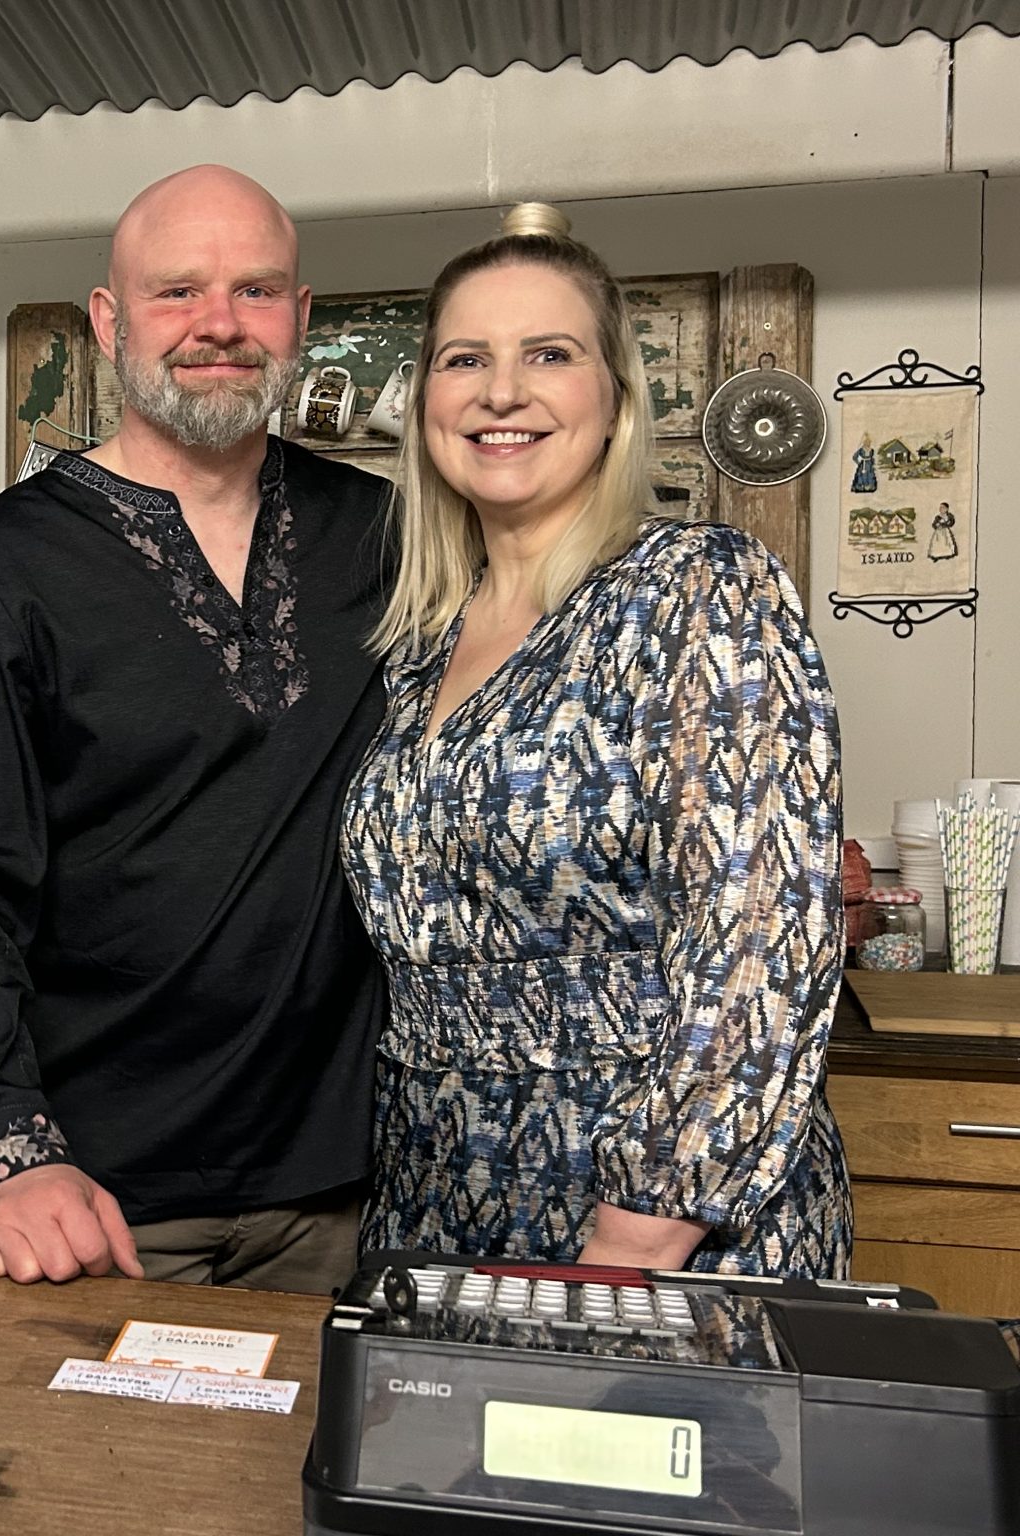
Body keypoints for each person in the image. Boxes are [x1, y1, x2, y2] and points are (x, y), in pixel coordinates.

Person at [0, 165, 393, 1291]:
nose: (220, 324)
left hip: (349, 1193)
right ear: (109, 322)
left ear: (300, 316)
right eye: (178, 291)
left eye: (256, 290)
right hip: (101, 1202)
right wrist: (6, 1152)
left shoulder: (385, 536)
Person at [341, 202, 851, 1276]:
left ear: (615, 396)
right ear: (425, 402)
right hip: (433, 1191)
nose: (500, 392)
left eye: (549, 354)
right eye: (464, 359)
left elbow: (761, 933)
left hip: (653, 1216)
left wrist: (643, 1226)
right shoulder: (418, 641)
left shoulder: (697, 590)